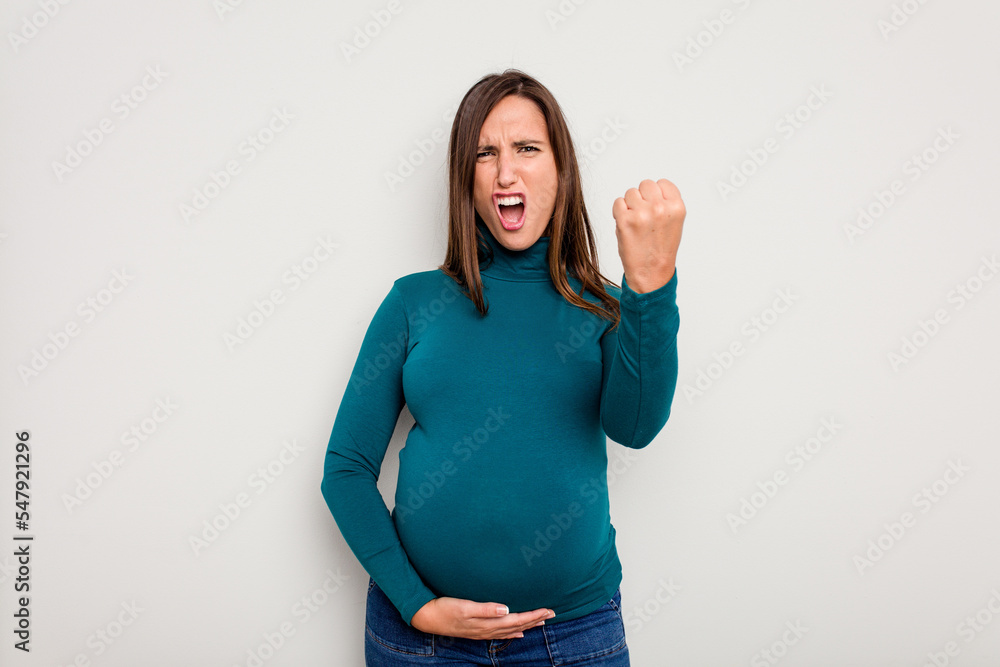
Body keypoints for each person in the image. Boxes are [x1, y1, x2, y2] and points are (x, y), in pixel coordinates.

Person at [321, 68, 684, 666]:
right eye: (485, 153)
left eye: (526, 148)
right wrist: (416, 604)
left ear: (561, 170)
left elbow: (635, 428)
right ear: (465, 177)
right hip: (420, 639)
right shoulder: (413, 303)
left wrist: (651, 290)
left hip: (571, 638)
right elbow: (346, 468)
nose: (505, 172)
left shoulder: (606, 307)